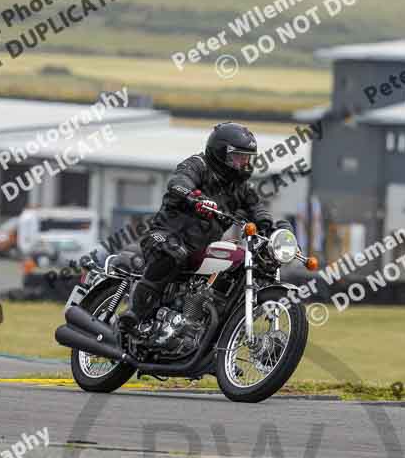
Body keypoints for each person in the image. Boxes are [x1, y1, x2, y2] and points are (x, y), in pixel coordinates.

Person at [118, 122, 290, 334]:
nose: (244, 163)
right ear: (220, 153)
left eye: (247, 157)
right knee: (173, 253)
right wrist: (193, 197)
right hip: (165, 236)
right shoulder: (198, 164)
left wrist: (273, 231)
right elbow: (178, 181)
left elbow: (257, 209)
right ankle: (133, 314)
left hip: (200, 249)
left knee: (233, 266)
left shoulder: (241, 187)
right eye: (238, 157)